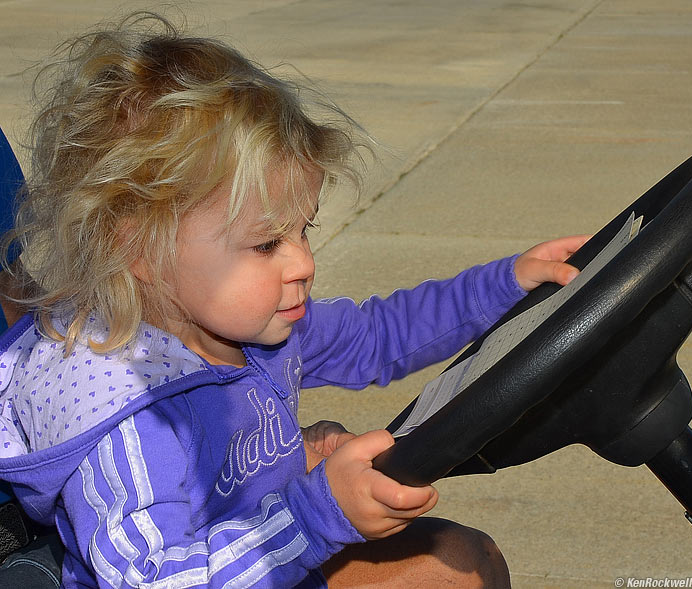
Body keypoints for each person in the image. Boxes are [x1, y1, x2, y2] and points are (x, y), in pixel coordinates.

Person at [0, 12, 587, 588]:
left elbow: (378, 334)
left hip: (266, 554)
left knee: (465, 559)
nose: (303, 263)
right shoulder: (124, 420)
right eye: (265, 243)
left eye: (302, 231)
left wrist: (504, 285)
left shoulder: (247, 324)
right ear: (140, 249)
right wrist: (314, 514)